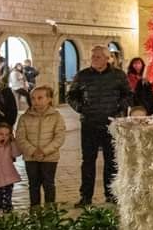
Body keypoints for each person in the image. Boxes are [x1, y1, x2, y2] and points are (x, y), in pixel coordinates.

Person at [67, 45, 132, 206]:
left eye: (97, 57)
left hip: (111, 123)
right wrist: (81, 108)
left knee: (111, 160)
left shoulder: (118, 76)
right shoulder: (83, 76)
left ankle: (111, 194)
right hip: (90, 123)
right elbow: (71, 95)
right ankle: (86, 196)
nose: (94, 59)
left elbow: (128, 95)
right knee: (88, 161)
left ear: (106, 58)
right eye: (93, 57)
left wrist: (118, 108)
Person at [15, 85, 65, 207]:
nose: (35, 101)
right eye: (33, 98)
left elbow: (59, 137)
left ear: (49, 99)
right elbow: (20, 137)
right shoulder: (24, 117)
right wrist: (32, 151)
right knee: (33, 185)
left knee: (49, 184)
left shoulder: (56, 117)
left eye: (40, 98)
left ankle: (50, 211)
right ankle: (35, 210)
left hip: (49, 158)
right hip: (30, 158)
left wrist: (44, 151)